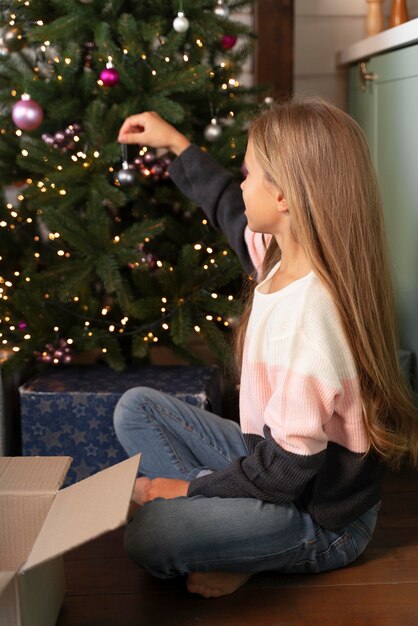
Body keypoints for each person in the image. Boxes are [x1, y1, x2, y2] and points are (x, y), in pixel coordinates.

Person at [114, 98, 418, 599]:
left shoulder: (313, 319)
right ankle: (233, 528)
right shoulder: (278, 257)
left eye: (248, 173)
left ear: (284, 198)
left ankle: (248, 542)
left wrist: (181, 490)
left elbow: (287, 472)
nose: (240, 184)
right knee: (137, 409)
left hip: (323, 515)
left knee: (150, 536)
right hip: (278, 468)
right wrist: (177, 145)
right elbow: (228, 208)